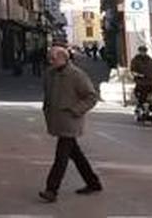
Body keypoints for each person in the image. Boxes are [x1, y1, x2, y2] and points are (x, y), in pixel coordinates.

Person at [39, 45, 102, 203]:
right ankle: (93, 183)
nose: (50, 61)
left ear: (63, 58)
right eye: (49, 58)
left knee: (61, 157)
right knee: (76, 155)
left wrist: (76, 110)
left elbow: (91, 97)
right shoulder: (50, 74)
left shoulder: (76, 75)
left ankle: (51, 189)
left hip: (70, 121)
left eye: (53, 58)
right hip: (57, 120)